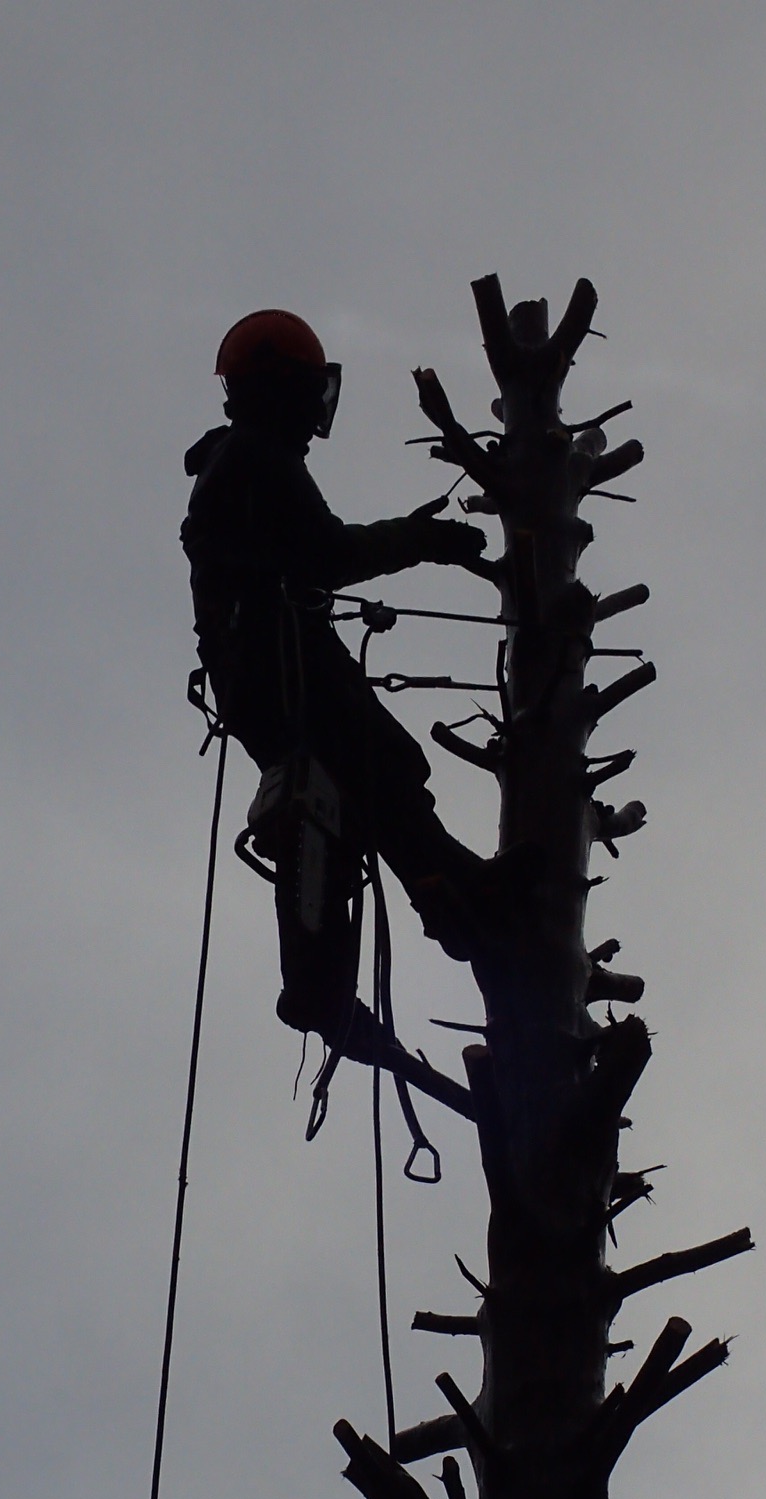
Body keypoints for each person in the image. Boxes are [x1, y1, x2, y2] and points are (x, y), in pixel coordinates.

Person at [180, 308, 495, 1036]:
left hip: (261, 669)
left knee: (336, 797)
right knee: (379, 764)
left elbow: (303, 558)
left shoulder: (242, 462)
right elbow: (326, 552)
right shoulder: (255, 458)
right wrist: (427, 539)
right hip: (281, 662)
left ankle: (351, 957)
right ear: (285, 390)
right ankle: (447, 890)